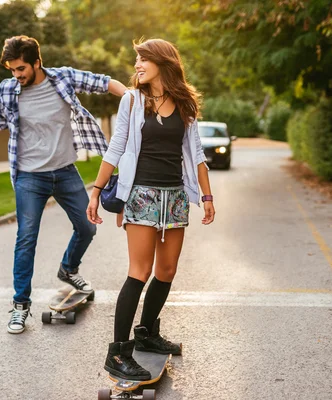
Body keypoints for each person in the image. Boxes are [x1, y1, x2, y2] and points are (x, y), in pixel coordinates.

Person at [0, 35, 127, 334]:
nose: (16, 75)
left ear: (37, 63)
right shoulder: (7, 89)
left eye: (21, 69)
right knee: (27, 237)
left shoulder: (63, 78)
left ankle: (68, 268)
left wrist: (130, 96)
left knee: (87, 227)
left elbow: (102, 82)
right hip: (30, 175)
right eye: (12, 70)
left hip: (65, 171)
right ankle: (20, 306)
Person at [86, 39, 215, 380]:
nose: (137, 65)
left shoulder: (184, 103)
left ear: (163, 62)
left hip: (173, 197)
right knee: (139, 272)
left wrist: (207, 197)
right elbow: (115, 147)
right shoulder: (131, 101)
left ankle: (147, 332)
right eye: (136, 60)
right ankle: (117, 353)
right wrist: (96, 190)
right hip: (141, 196)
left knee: (167, 270)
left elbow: (197, 154)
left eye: (143, 59)